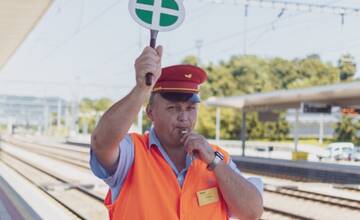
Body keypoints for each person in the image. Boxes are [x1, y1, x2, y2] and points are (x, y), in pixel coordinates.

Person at [90, 46, 263, 220]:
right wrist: (142, 88)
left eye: (190, 108)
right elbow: (101, 142)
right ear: (151, 113)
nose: (184, 118)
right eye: (173, 108)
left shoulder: (218, 157)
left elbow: (252, 213)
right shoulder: (132, 153)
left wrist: (214, 162)